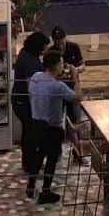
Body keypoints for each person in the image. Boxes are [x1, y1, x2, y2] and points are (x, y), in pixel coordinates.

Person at [28, 48, 82, 204]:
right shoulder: (57, 87)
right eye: (61, 63)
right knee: (51, 160)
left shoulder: (36, 78)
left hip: (36, 123)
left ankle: (31, 186)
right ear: (57, 64)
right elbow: (77, 97)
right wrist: (75, 77)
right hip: (52, 128)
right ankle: (45, 192)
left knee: (38, 156)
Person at [11, 31, 50, 177]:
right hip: (24, 102)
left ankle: (29, 162)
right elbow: (32, 85)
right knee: (31, 133)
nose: (45, 50)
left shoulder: (25, 52)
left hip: (19, 100)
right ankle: (30, 164)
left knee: (28, 131)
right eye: (44, 47)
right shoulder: (31, 60)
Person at [50, 26, 85, 123]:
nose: (60, 45)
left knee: (75, 118)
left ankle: (75, 137)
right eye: (57, 43)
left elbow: (83, 66)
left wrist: (74, 70)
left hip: (72, 88)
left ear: (65, 37)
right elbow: (48, 73)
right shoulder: (51, 52)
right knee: (57, 119)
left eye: (62, 42)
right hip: (58, 90)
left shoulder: (74, 47)